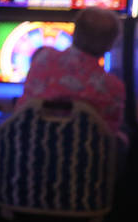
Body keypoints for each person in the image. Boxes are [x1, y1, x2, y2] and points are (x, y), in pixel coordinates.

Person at [21, 7, 126, 139]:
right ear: (110, 45)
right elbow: (109, 135)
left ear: (74, 32)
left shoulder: (43, 59)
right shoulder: (113, 87)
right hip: (84, 156)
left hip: (30, 148)